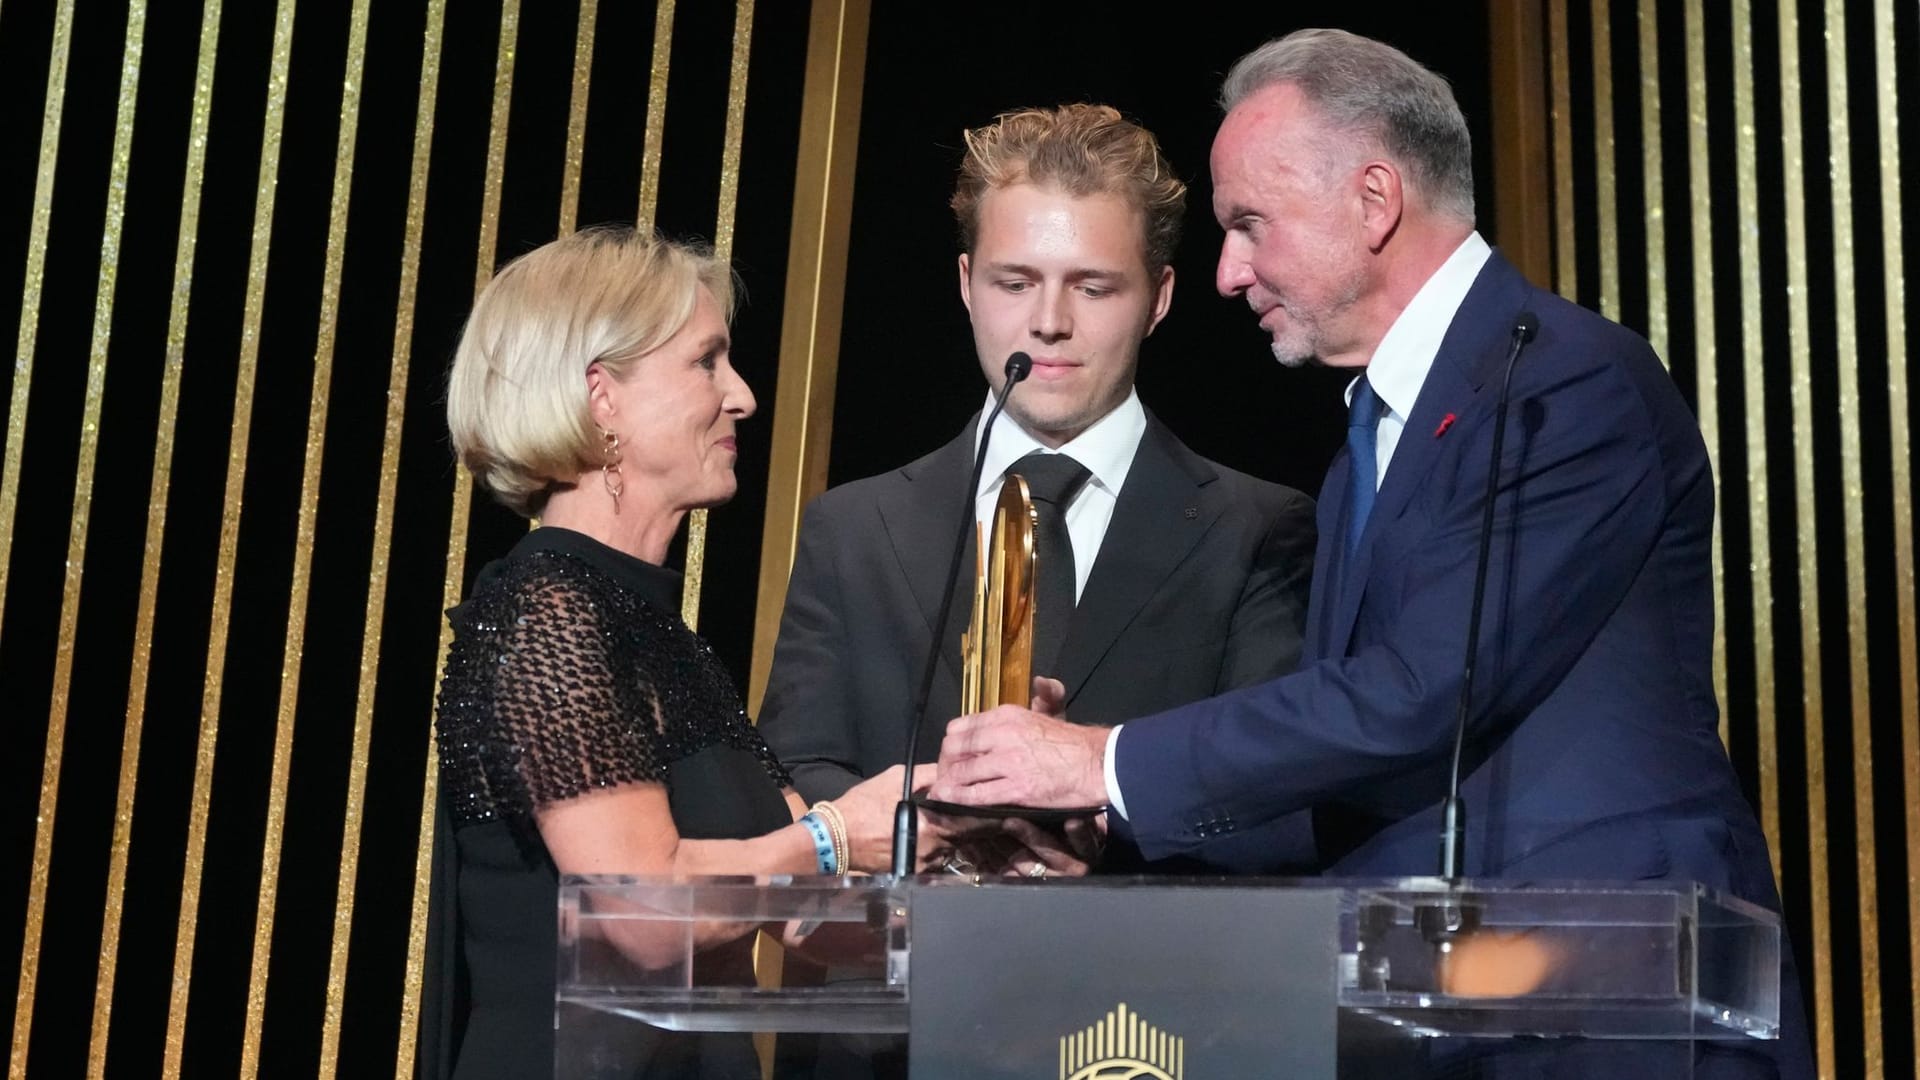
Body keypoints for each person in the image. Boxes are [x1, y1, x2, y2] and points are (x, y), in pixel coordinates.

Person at [929, 30, 1812, 1079]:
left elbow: (1417, 692)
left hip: (1611, 1003)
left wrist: (1102, 761)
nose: (1227, 272)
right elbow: (1348, 776)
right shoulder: (1370, 446)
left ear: (1374, 199)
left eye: (1248, 224)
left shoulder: (1563, 384)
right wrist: (1103, 825)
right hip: (1436, 1006)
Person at [419, 227, 943, 1080]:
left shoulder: (665, 640)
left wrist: (961, 823)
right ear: (603, 398)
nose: (741, 396)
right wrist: (834, 834)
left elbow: (811, 917)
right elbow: (644, 912)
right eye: (707, 362)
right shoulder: (546, 611)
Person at [758, 105, 1318, 876]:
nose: (1048, 323)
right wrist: (933, 837)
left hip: (1145, 986)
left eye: (1093, 288)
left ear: (1157, 298)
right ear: (965, 284)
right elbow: (793, 777)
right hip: (905, 976)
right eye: (1015, 282)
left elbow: (1279, 802)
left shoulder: (1257, 529)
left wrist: (1099, 825)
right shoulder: (851, 529)